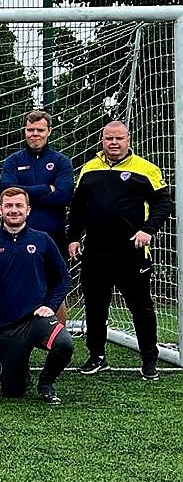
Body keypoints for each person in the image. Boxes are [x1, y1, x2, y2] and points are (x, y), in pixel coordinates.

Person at [67, 120, 172, 381]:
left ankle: (149, 359)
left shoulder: (146, 169)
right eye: (108, 138)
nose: (114, 143)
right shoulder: (89, 169)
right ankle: (97, 356)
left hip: (132, 253)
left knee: (141, 308)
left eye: (119, 138)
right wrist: (73, 238)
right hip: (95, 252)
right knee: (95, 306)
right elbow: (78, 209)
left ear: (128, 140)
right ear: (102, 140)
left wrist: (148, 230)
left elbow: (163, 204)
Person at [0, 187, 73, 404]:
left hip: (36, 320)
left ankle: (46, 382)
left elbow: (63, 278)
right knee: (13, 392)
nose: (14, 210)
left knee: (64, 344)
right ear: (0, 210)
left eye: (19, 206)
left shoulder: (43, 240)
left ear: (28, 210)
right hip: (4, 326)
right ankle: (20, 369)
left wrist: (51, 304)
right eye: (8, 206)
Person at [0, 110, 73, 322]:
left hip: (53, 235)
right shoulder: (13, 160)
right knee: (15, 285)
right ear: (25, 131)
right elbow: (6, 189)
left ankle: (57, 341)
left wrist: (23, 193)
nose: (35, 134)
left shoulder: (61, 161)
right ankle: (15, 339)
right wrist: (46, 188)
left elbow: (63, 195)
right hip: (17, 235)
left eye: (40, 130)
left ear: (49, 131)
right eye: (30, 130)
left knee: (55, 288)